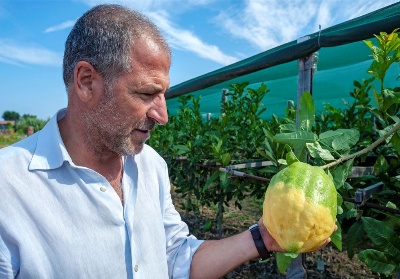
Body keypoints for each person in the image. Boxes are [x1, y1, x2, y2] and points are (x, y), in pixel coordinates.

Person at [0, 4, 331, 279]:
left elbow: (176, 257)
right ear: (87, 82)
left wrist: (263, 238)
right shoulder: (9, 190)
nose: (162, 115)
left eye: (163, 95)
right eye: (146, 93)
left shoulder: (151, 165)